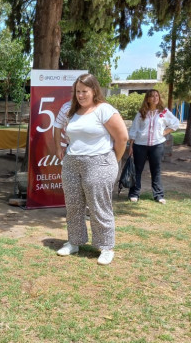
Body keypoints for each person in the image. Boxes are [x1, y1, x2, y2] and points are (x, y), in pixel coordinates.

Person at [53, 74, 128, 265]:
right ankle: (74, 241)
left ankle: (106, 247)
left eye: (84, 91)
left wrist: (112, 161)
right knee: (73, 205)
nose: (80, 95)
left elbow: (122, 138)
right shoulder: (68, 109)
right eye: (77, 91)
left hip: (99, 162)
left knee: (98, 206)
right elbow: (56, 127)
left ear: (94, 90)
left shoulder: (104, 110)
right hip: (72, 163)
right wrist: (58, 147)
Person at [127, 89, 179, 204]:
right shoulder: (141, 113)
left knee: (156, 170)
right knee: (137, 170)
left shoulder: (164, 112)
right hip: (140, 145)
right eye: (152, 96)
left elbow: (175, 123)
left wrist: (165, 132)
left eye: (157, 96)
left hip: (157, 145)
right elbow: (134, 130)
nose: (155, 98)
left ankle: (159, 195)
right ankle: (134, 194)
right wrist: (131, 146)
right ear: (147, 99)